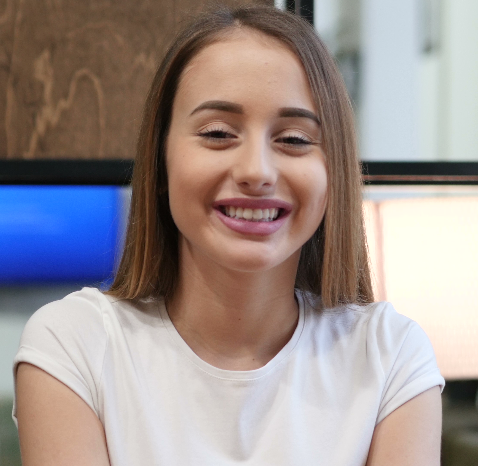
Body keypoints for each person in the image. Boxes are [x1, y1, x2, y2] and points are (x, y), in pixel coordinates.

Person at [13, 5, 444, 465]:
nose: (257, 171)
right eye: (218, 133)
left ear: (333, 171)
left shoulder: (390, 356)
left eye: (294, 139)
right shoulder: (75, 346)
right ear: (160, 161)